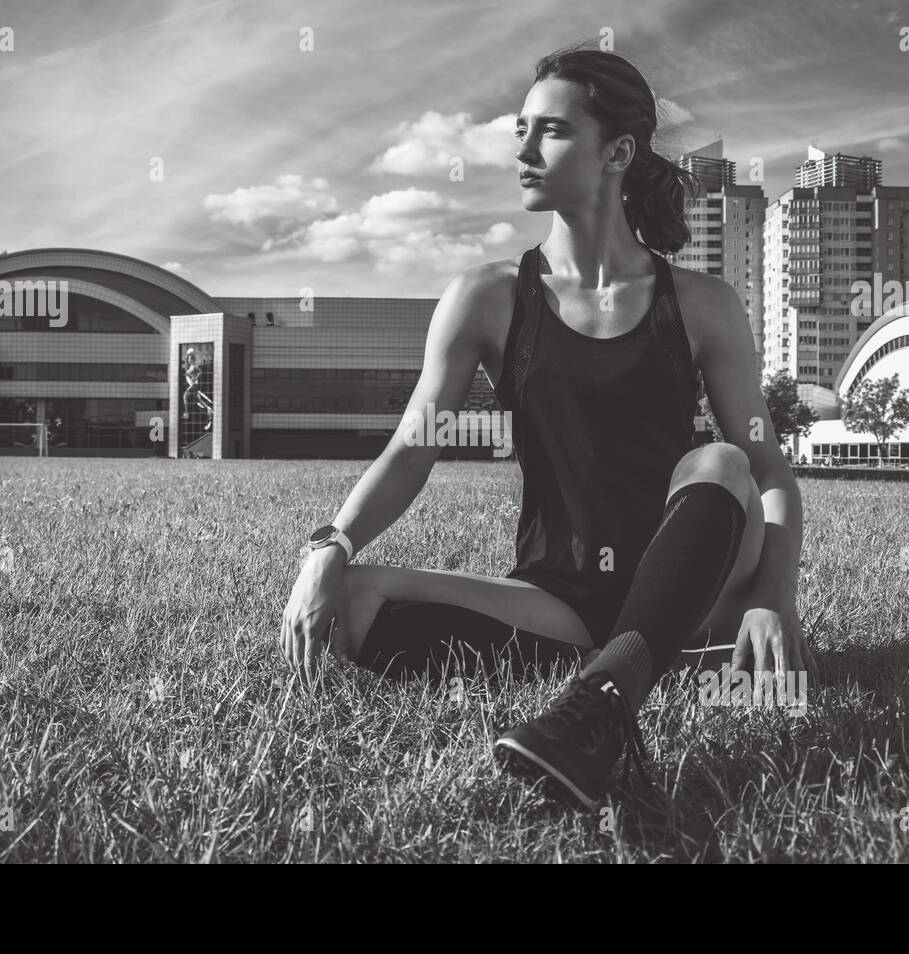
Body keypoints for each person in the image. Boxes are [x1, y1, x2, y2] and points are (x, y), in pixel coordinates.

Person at [280, 46, 815, 811]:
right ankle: (619, 664)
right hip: (557, 596)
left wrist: (775, 597)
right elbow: (412, 446)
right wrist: (329, 546)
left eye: (552, 131)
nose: (524, 151)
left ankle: (598, 706)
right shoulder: (487, 296)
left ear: (617, 153)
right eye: (520, 129)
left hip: (702, 593)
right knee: (352, 605)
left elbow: (769, 475)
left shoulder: (701, 304)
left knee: (722, 462)